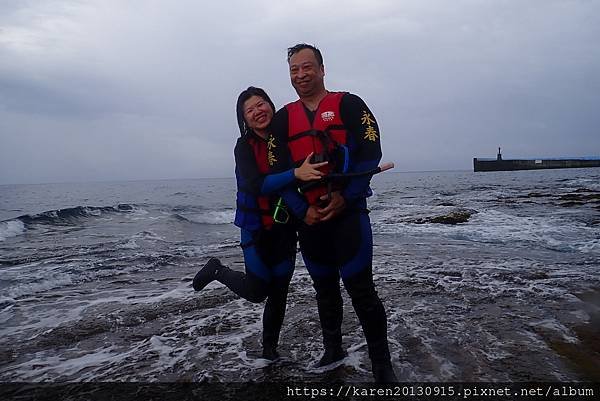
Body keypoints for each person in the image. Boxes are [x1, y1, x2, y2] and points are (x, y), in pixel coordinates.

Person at [269, 44, 398, 382]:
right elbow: (276, 173)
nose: (301, 75)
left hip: (349, 214)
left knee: (361, 289)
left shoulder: (350, 104)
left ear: (323, 69)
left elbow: (371, 152)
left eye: (307, 67)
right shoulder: (282, 119)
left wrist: (347, 196)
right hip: (309, 220)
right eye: (294, 70)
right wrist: (301, 210)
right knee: (323, 289)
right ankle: (333, 349)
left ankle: (382, 364)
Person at [192, 86, 325, 360]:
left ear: (272, 106)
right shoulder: (243, 147)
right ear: (244, 119)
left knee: (279, 293)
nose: (258, 112)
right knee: (256, 291)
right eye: (250, 110)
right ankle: (217, 270)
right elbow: (256, 184)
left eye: (261, 104)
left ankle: (269, 351)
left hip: (285, 228)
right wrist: (295, 173)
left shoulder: (286, 140)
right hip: (255, 228)